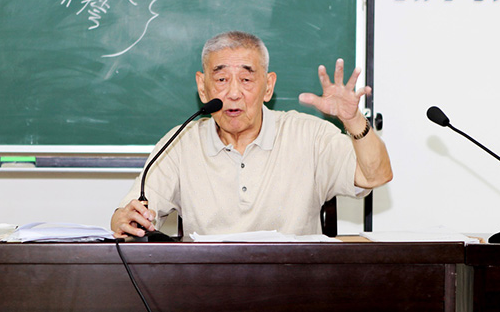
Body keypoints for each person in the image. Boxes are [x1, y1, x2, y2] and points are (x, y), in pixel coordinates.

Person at [111, 31, 392, 238]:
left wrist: (353, 120)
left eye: (246, 79)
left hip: (295, 287)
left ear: (268, 87)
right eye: (221, 79)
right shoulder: (181, 143)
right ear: (202, 87)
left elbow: (375, 176)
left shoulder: (309, 135)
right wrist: (126, 219)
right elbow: (128, 215)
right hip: (206, 288)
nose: (234, 93)